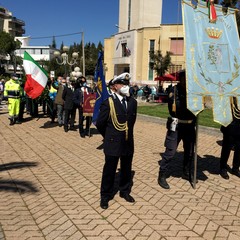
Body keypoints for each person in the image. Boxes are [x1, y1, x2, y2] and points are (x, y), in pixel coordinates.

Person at [96, 72, 137, 209]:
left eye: (127, 83)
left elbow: (131, 122)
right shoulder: (108, 103)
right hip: (113, 141)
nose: (126, 86)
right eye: (123, 84)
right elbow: (100, 123)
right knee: (110, 169)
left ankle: (124, 191)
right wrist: (108, 137)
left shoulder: (132, 102)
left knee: (126, 168)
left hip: (127, 141)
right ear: (114, 86)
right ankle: (105, 195)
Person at [158, 70, 196, 189]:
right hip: (176, 126)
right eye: (185, 79)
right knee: (170, 151)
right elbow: (176, 109)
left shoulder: (194, 92)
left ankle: (185, 171)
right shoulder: (174, 91)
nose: (187, 82)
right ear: (181, 79)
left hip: (189, 126)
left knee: (189, 152)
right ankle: (162, 174)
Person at [219, 97, 240, 179]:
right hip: (230, 124)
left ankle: (235, 168)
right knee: (227, 147)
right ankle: (223, 168)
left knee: (239, 148)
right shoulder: (229, 94)